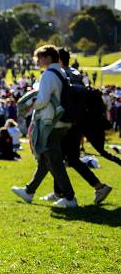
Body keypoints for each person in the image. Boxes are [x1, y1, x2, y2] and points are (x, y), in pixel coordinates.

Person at [40, 47, 112, 204]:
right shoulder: (76, 74)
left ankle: (63, 193)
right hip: (79, 121)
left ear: (57, 59)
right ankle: (95, 187)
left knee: (58, 156)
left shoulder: (63, 75)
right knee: (70, 158)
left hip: (68, 122)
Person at [11, 45, 77, 208]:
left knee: (53, 159)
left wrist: (30, 105)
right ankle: (29, 191)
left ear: (48, 57)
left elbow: (43, 100)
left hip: (50, 122)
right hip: (60, 121)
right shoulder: (61, 72)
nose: (38, 60)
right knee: (45, 159)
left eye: (40, 57)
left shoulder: (48, 74)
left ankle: (70, 198)